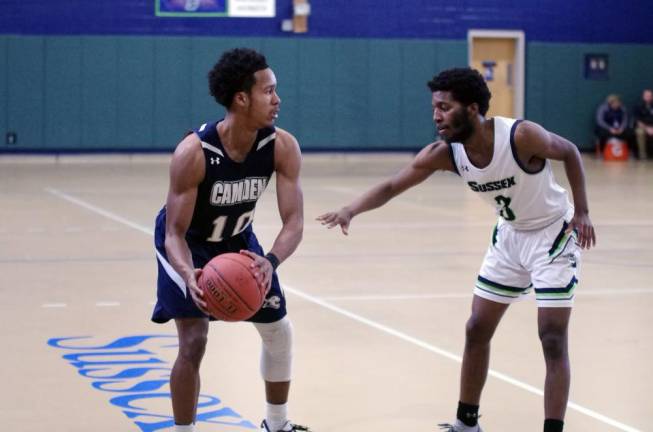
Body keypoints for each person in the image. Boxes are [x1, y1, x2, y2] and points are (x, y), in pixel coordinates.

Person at [317, 67, 596, 432]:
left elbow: (571, 152)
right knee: (476, 327)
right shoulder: (447, 154)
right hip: (510, 238)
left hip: (552, 234)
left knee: (552, 337)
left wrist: (584, 212)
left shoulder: (521, 136)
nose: (436, 115)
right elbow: (392, 185)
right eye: (434, 107)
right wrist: (349, 209)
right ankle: (466, 423)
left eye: (445, 107)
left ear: (473, 108)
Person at [152, 48, 310, 432]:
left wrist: (269, 261)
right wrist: (188, 273)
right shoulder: (194, 152)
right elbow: (173, 233)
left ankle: (276, 423)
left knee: (279, 332)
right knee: (194, 341)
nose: (278, 99)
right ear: (241, 98)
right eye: (269, 91)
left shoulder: (281, 146)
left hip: (239, 243)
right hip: (190, 245)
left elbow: (294, 222)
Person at [633, 88, 653, 159]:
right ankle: (642, 154)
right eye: (647, 96)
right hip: (642, 127)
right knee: (640, 132)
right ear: (643, 96)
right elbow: (637, 120)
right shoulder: (638, 105)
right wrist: (647, 128)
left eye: (650, 96)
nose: (648, 98)